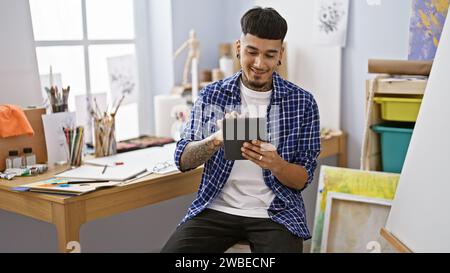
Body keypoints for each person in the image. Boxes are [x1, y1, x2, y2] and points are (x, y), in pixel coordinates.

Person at [161, 7, 321, 253]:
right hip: (216, 208)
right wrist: (216, 140)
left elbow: (303, 179)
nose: (259, 63)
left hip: (277, 213)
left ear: (281, 54)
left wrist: (276, 164)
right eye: (252, 52)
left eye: (269, 55)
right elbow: (183, 160)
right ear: (238, 47)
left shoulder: (302, 103)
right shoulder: (212, 95)